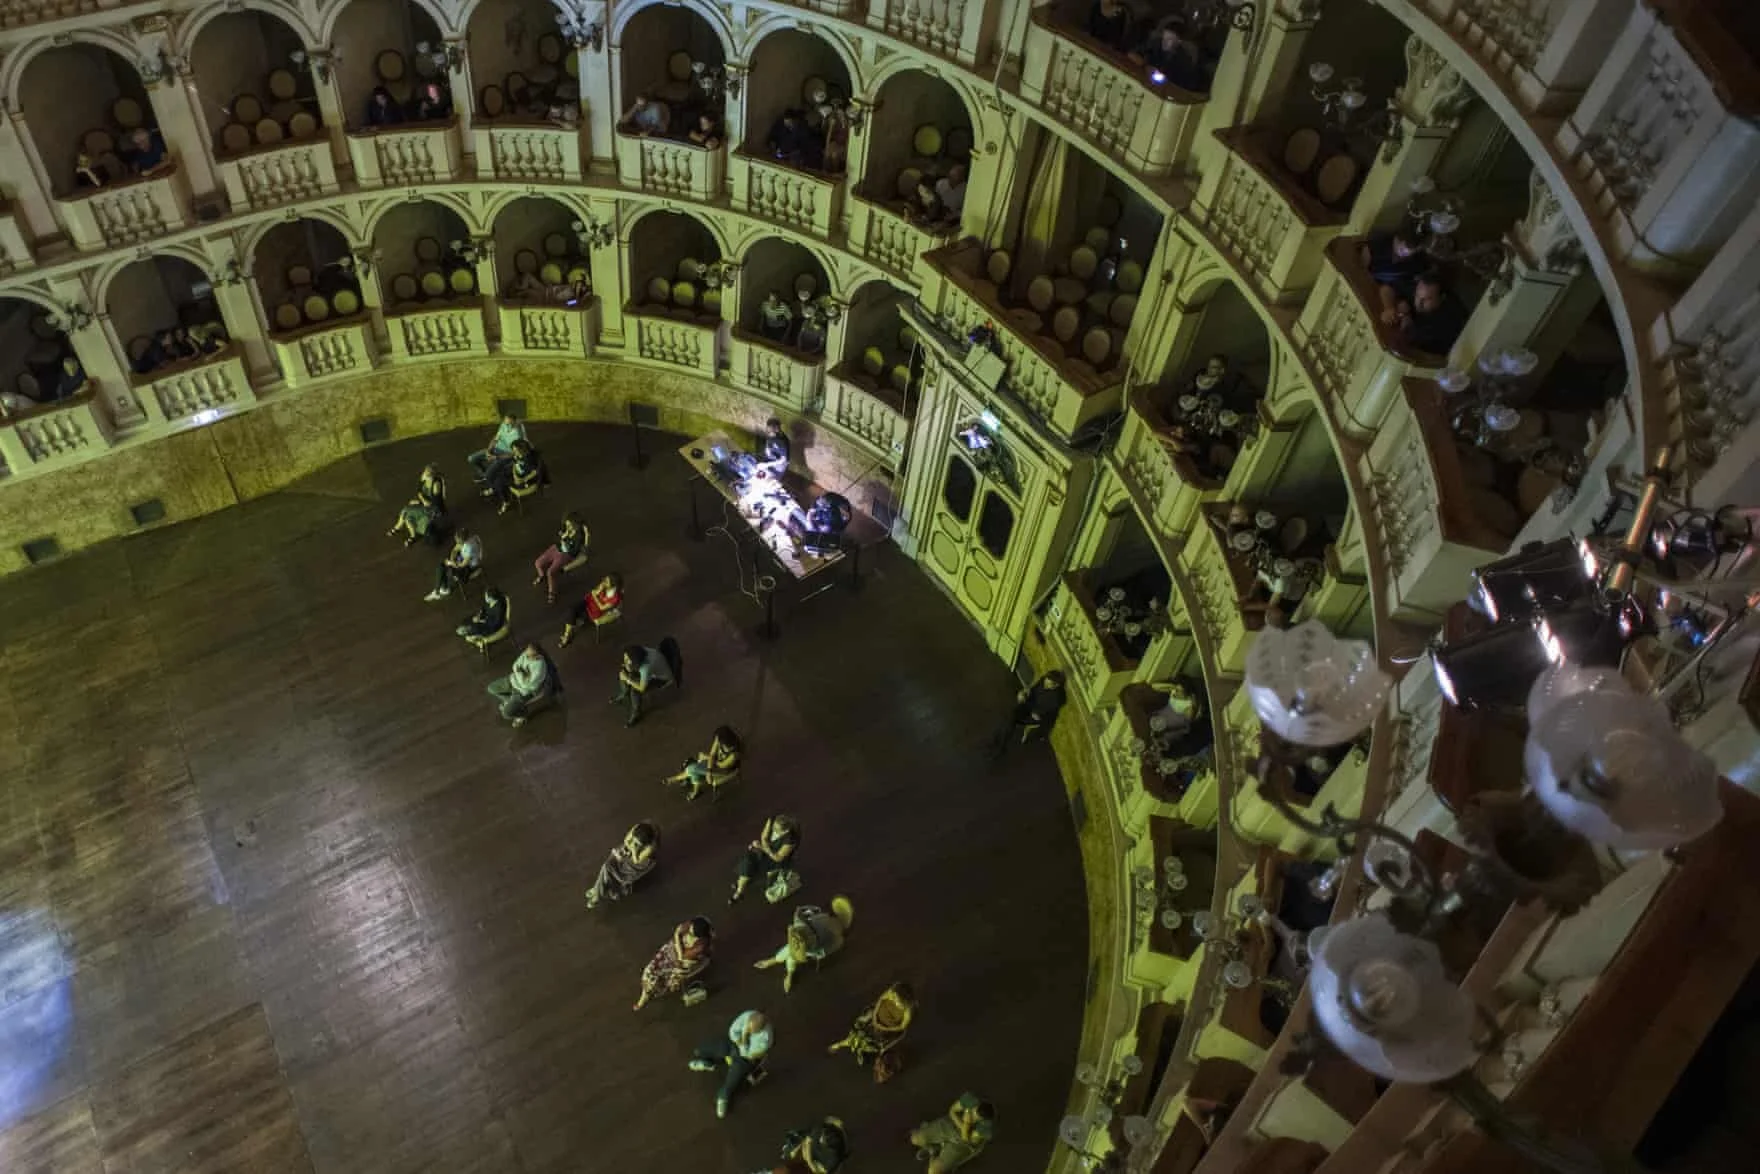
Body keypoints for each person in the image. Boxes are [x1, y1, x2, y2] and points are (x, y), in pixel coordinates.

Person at [754, 897, 854, 994]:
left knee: (792, 952)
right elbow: (825, 951)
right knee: (792, 952)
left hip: (811, 944)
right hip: (809, 939)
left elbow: (823, 951)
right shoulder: (830, 928)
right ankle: (782, 969)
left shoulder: (825, 920)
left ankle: (779, 967)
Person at [688, 1009, 773, 1119]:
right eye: (748, 1028)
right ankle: (706, 1062)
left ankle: (723, 1096)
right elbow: (733, 1031)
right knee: (701, 1050)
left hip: (745, 1057)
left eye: (752, 1031)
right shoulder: (747, 1016)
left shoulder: (766, 1038)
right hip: (734, 1044)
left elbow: (750, 1054)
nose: (749, 1031)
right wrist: (739, 1040)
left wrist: (744, 1039)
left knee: (734, 1076)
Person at [829, 982, 916, 1082]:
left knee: (877, 1044)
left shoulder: (907, 1011)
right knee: (864, 1022)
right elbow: (881, 999)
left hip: (887, 1028)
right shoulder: (892, 994)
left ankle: (884, 1065)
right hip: (877, 1020)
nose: (896, 1000)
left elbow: (902, 1027)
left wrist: (885, 1028)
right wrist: (875, 1017)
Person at [634, 916, 713, 1010]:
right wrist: (678, 947)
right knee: (651, 970)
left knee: (666, 982)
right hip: (672, 952)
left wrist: (678, 943)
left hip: (681, 963)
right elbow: (678, 931)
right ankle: (645, 995)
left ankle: (645, 997)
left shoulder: (701, 945)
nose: (689, 929)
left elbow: (684, 956)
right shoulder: (695, 924)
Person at [911, 1093, 996, 1173]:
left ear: (982, 1119)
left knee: (934, 1171)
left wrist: (967, 1123)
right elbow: (952, 1111)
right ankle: (935, 1148)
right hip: (952, 1124)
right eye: (973, 1111)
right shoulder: (971, 1100)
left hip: (964, 1144)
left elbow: (966, 1140)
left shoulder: (986, 1128)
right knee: (915, 1139)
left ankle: (936, 1153)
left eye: (976, 1117)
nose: (972, 1115)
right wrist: (962, 1125)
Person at [991, 670, 1067, 756]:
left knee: (1011, 719)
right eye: (1045, 681)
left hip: (1036, 716)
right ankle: (999, 743)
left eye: (1048, 684)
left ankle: (999, 744)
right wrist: (1024, 693)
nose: (1044, 685)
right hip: (1029, 705)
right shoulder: (1043, 681)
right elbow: (1033, 690)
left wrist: (1028, 703)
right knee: (1009, 715)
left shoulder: (1056, 699)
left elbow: (1040, 713)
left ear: (1056, 685)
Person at [584, 821, 659, 909]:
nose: (634, 842)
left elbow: (636, 860)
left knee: (607, 868)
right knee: (606, 867)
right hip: (628, 851)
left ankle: (596, 892)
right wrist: (629, 849)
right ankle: (598, 892)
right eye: (634, 839)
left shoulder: (650, 848)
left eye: (637, 843)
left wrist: (634, 849)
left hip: (637, 862)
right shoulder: (636, 828)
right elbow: (626, 840)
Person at [487, 641, 558, 727]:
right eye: (526, 652)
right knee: (491, 688)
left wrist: (519, 672)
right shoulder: (527, 654)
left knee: (506, 714)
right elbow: (515, 665)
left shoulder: (539, 668)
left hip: (523, 691)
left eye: (529, 656)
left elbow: (526, 684)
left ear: (537, 656)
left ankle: (522, 714)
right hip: (513, 680)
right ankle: (510, 701)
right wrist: (522, 674)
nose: (526, 656)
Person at [730, 815, 799, 903]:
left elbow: (778, 858)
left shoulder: (790, 840)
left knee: (750, 864)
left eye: (777, 831)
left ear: (786, 831)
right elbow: (764, 836)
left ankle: (740, 889)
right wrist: (763, 847)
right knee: (748, 860)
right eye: (773, 827)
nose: (774, 831)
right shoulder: (772, 820)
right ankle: (740, 888)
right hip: (766, 850)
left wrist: (763, 848)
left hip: (774, 859)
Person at [1395, 273, 1468, 355]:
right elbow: (1388, 288)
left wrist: (1406, 323)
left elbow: (1415, 342)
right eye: (1417, 295)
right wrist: (1402, 311)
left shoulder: (1449, 320)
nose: (1419, 303)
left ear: (1442, 298)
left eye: (1427, 299)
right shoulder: (1422, 289)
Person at [663, 725, 743, 800]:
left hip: (723, 771)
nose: (717, 740)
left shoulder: (734, 754)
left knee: (692, 768)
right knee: (693, 769)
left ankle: (675, 780)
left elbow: (722, 765)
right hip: (714, 764)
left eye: (719, 739)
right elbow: (712, 754)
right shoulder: (719, 740)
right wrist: (709, 767)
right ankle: (691, 789)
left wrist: (706, 759)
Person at [612, 640, 679, 727]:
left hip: (661, 678)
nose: (625, 660)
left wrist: (628, 679)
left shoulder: (645, 668)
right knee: (624, 672)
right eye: (626, 657)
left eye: (628, 659)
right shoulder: (640, 652)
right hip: (653, 669)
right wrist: (627, 669)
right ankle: (623, 694)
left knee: (635, 690)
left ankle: (636, 713)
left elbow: (641, 688)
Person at [1362, 230, 1429, 313]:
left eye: (1408, 249)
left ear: (1418, 249)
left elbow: (1396, 288)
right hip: (1363, 284)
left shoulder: (1416, 265)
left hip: (1381, 296)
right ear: (1396, 237)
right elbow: (1360, 267)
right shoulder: (1380, 243)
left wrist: (1399, 304)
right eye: (1400, 243)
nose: (1402, 250)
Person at [532, 512, 588, 602]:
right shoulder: (565, 528)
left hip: (565, 555)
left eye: (570, 525)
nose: (568, 526)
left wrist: (565, 539)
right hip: (556, 548)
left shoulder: (579, 536)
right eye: (567, 524)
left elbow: (574, 552)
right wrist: (563, 536)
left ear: (576, 525)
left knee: (550, 572)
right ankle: (541, 576)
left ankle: (552, 593)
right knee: (538, 563)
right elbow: (557, 537)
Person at [1133, 22, 1204, 90]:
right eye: (1164, 38)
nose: (1165, 42)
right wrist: (1145, 65)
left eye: (1169, 40)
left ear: (1179, 41)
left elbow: (1185, 86)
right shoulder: (1154, 44)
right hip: (1142, 83)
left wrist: (1166, 80)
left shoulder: (1184, 61)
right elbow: (1132, 54)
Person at [482, 439, 546, 514]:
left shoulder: (530, 460)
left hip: (524, 481)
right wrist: (515, 474)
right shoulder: (517, 456)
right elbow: (515, 465)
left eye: (516, 450)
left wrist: (524, 479)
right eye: (513, 450)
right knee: (498, 478)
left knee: (499, 482)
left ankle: (505, 501)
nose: (514, 452)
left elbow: (535, 472)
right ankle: (499, 493)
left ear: (523, 450)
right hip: (516, 475)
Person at [388, 464, 447, 545]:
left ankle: (400, 529)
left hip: (434, 509)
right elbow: (419, 491)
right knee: (407, 514)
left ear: (432, 475)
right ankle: (409, 534)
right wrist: (420, 500)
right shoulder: (424, 477)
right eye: (425, 473)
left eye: (427, 474)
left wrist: (420, 502)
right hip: (424, 504)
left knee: (406, 512)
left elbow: (434, 502)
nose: (424, 475)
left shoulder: (436, 485)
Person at [560, 572, 623, 647]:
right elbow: (594, 592)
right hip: (588, 601)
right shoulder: (604, 586)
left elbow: (602, 607)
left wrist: (595, 596)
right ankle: (567, 634)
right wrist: (599, 590)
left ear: (613, 585)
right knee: (571, 610)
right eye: (605, 580)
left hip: (595, 611)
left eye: (607, 582)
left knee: (575, 616)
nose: (604, 582)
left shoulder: (615, 598)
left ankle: (567, 636)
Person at [771, 1117, 850, 1174]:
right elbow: (808, 1140)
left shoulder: (831, 1157)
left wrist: (808, 1159)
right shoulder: (826, 1159)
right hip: (806, 1158)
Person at [425, 528, 483, 601]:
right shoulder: (469, 538)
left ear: (462, 540)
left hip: (469, 566)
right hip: (463, 558)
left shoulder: (469, 547)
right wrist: (452, 558)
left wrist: (451, 563)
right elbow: (455, 550)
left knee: (446, 570)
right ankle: (440, 590)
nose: (456, 541)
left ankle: (443, 589)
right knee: (442, 565)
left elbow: (462, 565)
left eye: (457, 540)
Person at [468, 414, 527, 480]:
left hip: (505, 454)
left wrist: (496, 457)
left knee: (488, 474)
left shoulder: (517, 435)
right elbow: (495, 439)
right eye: (505, 422)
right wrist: (488, 450)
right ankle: (483, 473)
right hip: (495, 449)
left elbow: (513, 454)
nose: (507, 426)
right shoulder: (503, 425)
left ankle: (486, 476)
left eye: (509, 423)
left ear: (514, 422)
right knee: (471, 458)